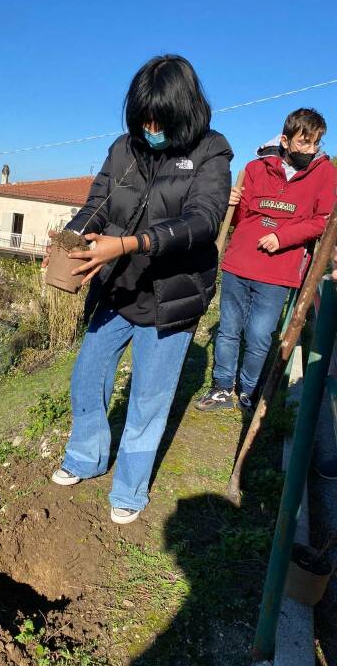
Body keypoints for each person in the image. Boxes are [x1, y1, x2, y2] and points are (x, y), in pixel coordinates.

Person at [42, 54, 232, 524]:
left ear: (183, 110)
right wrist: (71, 240)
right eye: (143, 117)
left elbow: (203, 222)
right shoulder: (124, 149)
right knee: (88, 376)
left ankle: (129, 490)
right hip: (119, 290)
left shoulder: (212, 151)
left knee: (149, 398)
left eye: (159, 119)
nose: (150, 127)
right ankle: (86, 457)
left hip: (171, 296)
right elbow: (96, 205)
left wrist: (128, 243)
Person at [196, 108, 337, 413]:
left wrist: (282, 237)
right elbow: (242, 219)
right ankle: (222, 387)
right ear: (285, 140)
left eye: (316, 144)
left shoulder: (325, 173)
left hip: (278, 271)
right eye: (304, 142)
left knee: (260, 335)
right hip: (239, 264)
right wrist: (230, 205)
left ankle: (248, 390)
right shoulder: (256, 169)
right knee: (229, 329)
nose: (310, 150)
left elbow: (322, 221)